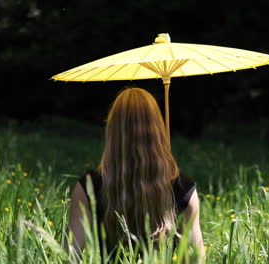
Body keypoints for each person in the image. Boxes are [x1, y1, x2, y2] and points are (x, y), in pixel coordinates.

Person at [65, 87, 205, 262]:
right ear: (157, 128)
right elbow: (195, 259)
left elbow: (69, 256)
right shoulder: (183, 188)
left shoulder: (89, 187)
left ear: (113, 130)